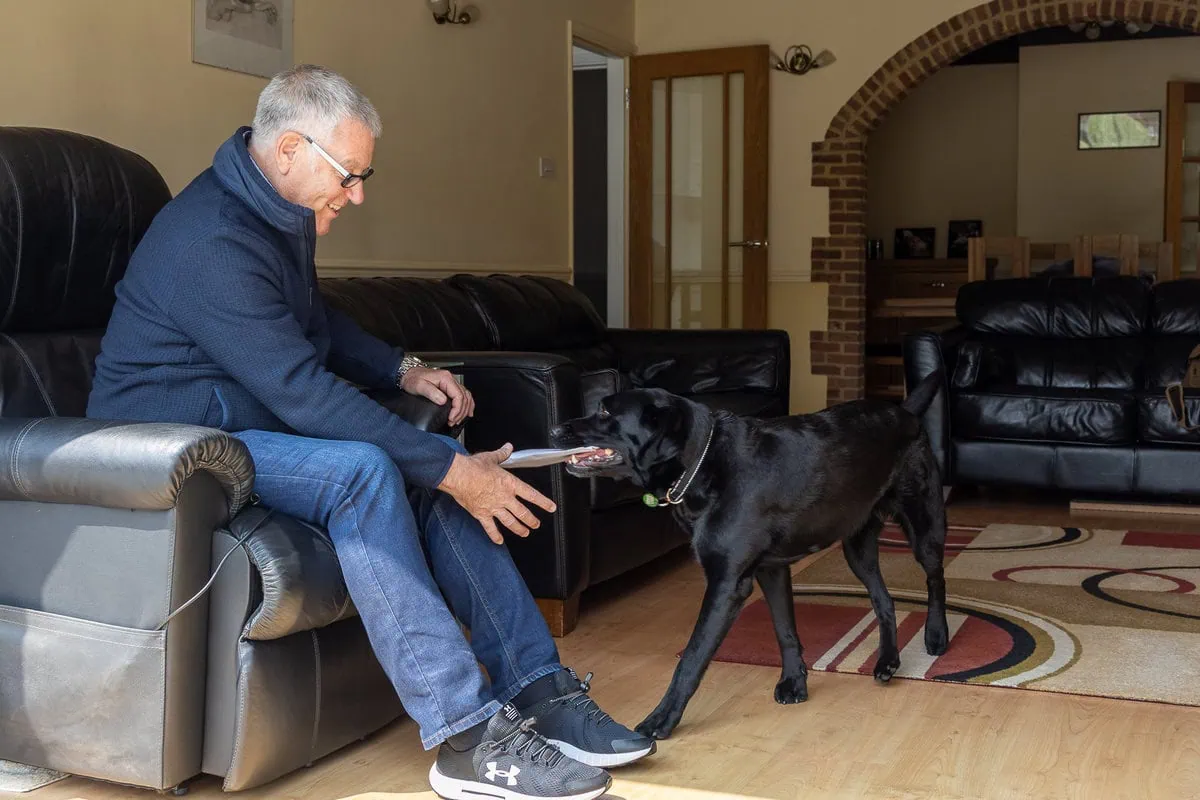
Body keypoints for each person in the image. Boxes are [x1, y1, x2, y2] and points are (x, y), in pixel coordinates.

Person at [86, 63, 654, 800]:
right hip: (173, 446)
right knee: (370, 470)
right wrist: (454, 472)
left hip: (241, 423)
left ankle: (538, 689)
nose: (357, 194)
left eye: (363, 173)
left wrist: (404, 369)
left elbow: (312, 321)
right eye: (349, 174)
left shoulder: (273, 213)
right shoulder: (212, 242)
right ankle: (461, 737)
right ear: (289, 149)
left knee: (434, 460)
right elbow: (303, 394)